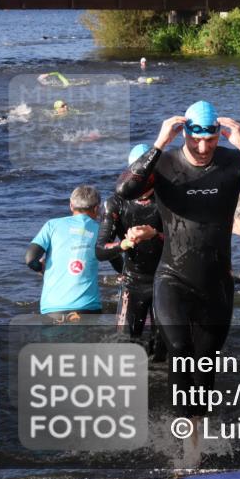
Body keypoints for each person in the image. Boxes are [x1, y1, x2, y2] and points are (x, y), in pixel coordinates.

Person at [115, 100, 240, 463]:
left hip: (216, 282)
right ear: (186, 134)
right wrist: (160, 142)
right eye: (197, 141)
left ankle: (195, 431)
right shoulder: (163, 163)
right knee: (178, 349)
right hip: (172, 277)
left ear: (218, 135)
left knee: (206, 361)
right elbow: (125, 190)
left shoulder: (231, 161)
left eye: (211, 140)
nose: (205, 148)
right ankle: (184, 440)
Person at [97, 144, 166, 359]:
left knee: (163, 349)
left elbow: (187, 241)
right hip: (133, 281)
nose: (143, 181)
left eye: (148, 176)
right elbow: (100, 250)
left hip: (166, 280)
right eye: (138, 176)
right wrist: (123, 245)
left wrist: (154, 235)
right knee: (125, 346)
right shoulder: (116, 203)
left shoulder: (168, 201)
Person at [25, 185, 104, 322]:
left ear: (71, 206)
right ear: (97, 208)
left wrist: (41, 268)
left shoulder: (52, 225)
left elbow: (30, 259)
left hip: (53, 308)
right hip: (88, 307)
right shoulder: (101, 231)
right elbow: (117, 262)